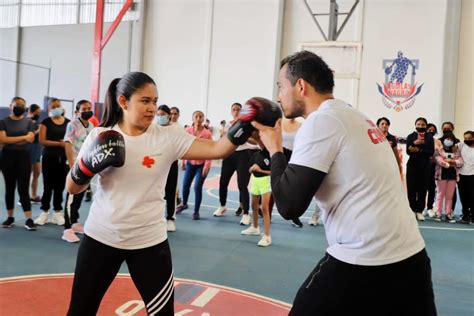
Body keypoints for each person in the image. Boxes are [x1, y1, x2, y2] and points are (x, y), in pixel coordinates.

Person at [65, 72, 281, 315]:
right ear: (123, 102)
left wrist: (243, 123)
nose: (152, 108)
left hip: (149, 242)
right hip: (101, 238)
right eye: (145, 101)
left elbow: (218, 149)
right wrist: (85, 168)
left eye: (155, 101)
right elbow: (72, 188)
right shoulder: (100, 136)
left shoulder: (167, 136)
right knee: (80, 311)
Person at [252, 51, 436, 315]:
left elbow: (289, 205)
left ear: (301, 86)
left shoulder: (321, 122)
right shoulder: (353, 116)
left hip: (365, 260)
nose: (279, 95)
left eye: (281, 86)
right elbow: (311, 167)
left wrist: (275, 150)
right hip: (411, 256)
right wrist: (276, 150)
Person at [213, 102, 259, 226]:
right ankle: (222, 206)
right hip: (228, 155)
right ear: (231, 111)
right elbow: (223, 140)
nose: (235, 111)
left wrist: (244, 136)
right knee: (223, 182)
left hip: (243, 155)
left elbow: (256, 142)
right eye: (233, 109)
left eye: (238, 109)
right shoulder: (228, 125)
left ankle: (245, 214)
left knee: (242, 185)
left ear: (242, 111)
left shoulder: (247, 125)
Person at [0, 97, 36, 230]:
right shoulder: (3, 122)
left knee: (23, 188)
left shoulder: (29, 123)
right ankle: (10, 218)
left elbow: (31, 139)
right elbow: (2, 139)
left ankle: (29, 219)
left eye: (22, 105)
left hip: (23, 157)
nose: (19, 106)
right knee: (9, 188)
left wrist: (9, 140)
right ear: (10, 106)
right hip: (7, 157)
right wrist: (23, 137)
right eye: (17, 104)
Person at [62, 100, 95, 242]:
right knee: (71, 196)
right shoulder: (72, 124)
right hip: (74, 165)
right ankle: (67, 228)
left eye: (89, 108)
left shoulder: (92, 125)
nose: (87, 110)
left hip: (85, 165)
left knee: (80, 195)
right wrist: (71, 165)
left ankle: (74, 222)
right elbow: (67, 143)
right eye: (84, 109)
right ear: (77, 111)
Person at [34, 98, 70, 226]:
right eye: (53, 106)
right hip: (49, 157)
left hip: (63, 158)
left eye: (58, 106)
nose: (56, 108)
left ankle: (57, 213)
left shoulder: (68, 123)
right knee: (47, 186)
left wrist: (65, 147)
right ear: (49, 109)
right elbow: (42, 141)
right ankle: (44, 212)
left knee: (60, 186)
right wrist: (59, 144)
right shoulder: (45, 122)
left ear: (61, 107)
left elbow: (70, 140)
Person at [176, 111, 213, 220]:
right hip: (190, 163)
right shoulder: (187, 131)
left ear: (203, 119)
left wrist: (207, 167)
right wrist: (183, 161)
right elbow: (183, 147)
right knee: (185, 185)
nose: (198, 118)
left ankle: (196, 211)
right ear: (192, 118)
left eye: (200, 116)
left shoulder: (207, 134)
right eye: (196, 116)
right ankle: (185, 204)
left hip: (201, 165)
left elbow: (210, 150)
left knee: (197, 187)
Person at [241, 146, 272, 246]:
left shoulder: (271, 155)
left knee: (264, 208)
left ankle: (267, 236)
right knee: (254, 205)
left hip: (266, 181)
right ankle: (255, 227)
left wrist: (260, 170)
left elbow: (274, 172)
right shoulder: (255, 155)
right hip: (255, 181)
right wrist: (252, 169)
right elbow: (249, 170)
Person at [406, 117, 435, 221]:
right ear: (415, 125)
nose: (420, 126)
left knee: (422, 189)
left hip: (425, 166)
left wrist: (418, 149)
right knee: (411, 189)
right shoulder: (411, 136)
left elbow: (430, 152)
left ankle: (419, 211)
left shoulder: (429, 137)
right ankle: (412, 210)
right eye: (418, 124)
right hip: (412, 166)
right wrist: (415, 143)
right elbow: (408, 151)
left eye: (423, 125)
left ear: (426, 126)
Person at [157, 105, 179, 231]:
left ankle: (170, 219)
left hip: (171, 164)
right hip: (157, 164)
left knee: (170, 192)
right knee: (157, 192)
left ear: (168, 115)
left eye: (162, 114)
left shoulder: (176, 129)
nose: (160, 117)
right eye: (158, 115)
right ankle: (157, 218)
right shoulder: (154, 128)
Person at [433, 131, 463, 223]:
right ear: (443, 139)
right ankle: (438, 213)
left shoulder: (456, 150)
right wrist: (448, 164)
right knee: (440, 195)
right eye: (447, 139)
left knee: (449, 196)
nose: (449, 141)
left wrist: (453, 162)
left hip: (453, 176)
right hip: (441, 175)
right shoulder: (439, 149)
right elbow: (438, 160)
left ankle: (448, 214)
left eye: (451, 139)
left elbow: (460, 161)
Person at [456, 131, 473, 224]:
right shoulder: (461, 145)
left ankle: (473, 216)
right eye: (465, 138)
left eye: (469, 138)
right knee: (463, 197)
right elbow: (451, 146)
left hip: (472, 176)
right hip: (462, 175)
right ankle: (465, 215)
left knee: (472, 197)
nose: (467, 140)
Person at [28, 104, 42, 204]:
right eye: (38, 112)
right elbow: (30, 135)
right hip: (30, 148)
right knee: (26, 174)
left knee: (37, 173)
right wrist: (39, 130)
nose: (39, 113)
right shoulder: (27, 121)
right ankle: (24, 196)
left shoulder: (37, 121)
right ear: (33, 111)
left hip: (38, 148)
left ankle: (34, 195)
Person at [425, 123, 438, 218]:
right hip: (422, 167)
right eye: (429, 129)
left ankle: (430, 207)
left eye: (433, 130)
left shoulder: (437, 142)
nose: (431, 131)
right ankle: (419, 208)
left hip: (433, 167)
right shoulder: (421, 140)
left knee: (432, 188)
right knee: (421, 189)